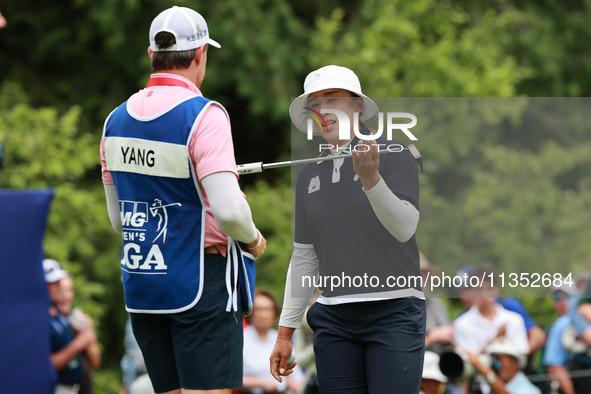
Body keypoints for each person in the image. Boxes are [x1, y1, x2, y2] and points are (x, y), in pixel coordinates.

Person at [100, 6, 266, 394]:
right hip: (200, 282)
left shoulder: (114, 120)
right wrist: (254, 240)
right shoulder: (204, 115)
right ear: (200, 54)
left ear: (151, 55)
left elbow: (119, 220)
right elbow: (228, 210)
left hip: (144, 283)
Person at [271, 65, 426, 393]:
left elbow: (404, 227)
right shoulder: (307, 176)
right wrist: (284, 334)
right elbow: (304, 258)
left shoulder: (394, 154)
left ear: (357, 105)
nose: (322, 109)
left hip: (394, 310)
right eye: (314, 103)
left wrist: (372, 181)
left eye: (332, 99)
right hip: (334, 317)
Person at [44, 259, 98, 394]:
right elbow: (45, 365)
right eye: (53, 284)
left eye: (59, 283)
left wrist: (87, 335)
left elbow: (95, 361)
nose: (60, 290)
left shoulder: (66, 318)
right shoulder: (42, 320)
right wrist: (79, 343)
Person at [453, 268, 530, 356]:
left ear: (497, 289)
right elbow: (472, 360)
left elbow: (522, 354)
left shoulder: (514, 319)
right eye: (479, 289)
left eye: (489, 288)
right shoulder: (462, 324)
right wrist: (495, 338)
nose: (485, 294)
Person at [242, 289, 304, 393]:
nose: (264, 315)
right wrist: (260, 383)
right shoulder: (242, 339)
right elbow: (229, 377)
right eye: (259, 309)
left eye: (269, 309)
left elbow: (296, 378)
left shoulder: (282, 339)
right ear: (250, 312)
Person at [543, 284, 583, 394]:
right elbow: (554, 365)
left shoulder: (562, 323)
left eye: (567, 296)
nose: (562, 302)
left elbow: (553, 365)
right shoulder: (560, 324)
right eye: (557, 298)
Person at [464, 338, 541, 394]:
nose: (497, 364)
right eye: (494, 358)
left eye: (500, 359)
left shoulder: (530, 390)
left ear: (515, 362)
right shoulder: (485, 387)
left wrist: (487, 373)